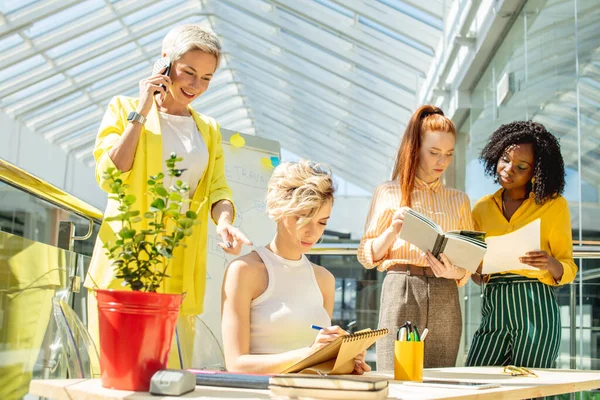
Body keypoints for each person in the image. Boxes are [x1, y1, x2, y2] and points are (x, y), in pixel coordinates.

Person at [84, 24, 251, 368]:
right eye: (188, 72)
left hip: (180, 262)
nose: (195, 85)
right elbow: (110, 175)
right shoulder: (123, 109)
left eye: (206, 78)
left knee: (168, 372)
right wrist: (142, 111)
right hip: (126, 260)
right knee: (116, 375)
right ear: (164, 63)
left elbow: (218, 188)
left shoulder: (208, 129)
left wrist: (224, 223)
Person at [221, 160, 370, 374]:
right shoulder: (243, 271)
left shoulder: (324, 279)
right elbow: (236, 364)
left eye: (322, 222)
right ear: (279, 211)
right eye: (302, 218)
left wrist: (345, 358)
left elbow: (317, 363)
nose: (313, 232)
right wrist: (310, 353)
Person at [358, 105, 474, 370]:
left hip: (445, 293)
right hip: (401, 286)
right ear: (415, 148)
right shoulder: (388, 192)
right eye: (434, 152)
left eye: (448, 154)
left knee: (441, 380)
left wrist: (453, 271)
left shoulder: (459, 200)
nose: (441, 162)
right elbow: (367, 255)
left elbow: (467, 265)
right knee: (396, 374)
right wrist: (392, 232)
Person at [466, 121, 577, 368]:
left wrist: (549, 263)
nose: (508, 169)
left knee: (530, 389)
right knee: (475, 380)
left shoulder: (554, 206)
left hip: (536, 307)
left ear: (535, 171)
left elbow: (568, 267)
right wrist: (477, 269)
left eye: (521, 166)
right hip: (495, 304)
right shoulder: (482, 208)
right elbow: (477, 273)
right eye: (505, 159)